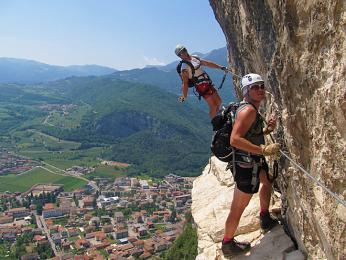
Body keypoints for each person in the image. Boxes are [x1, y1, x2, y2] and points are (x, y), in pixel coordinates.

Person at [221, 73, 281, 257]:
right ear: (247, 90)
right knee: (238, 207)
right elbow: (235, 139)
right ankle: (228, 243)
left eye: (262, 85)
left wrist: (267, 130)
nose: (260, 89)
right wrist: (264, 150)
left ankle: (264, 217)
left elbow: (249, 133)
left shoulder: (247, 107)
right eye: (255, 87)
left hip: (252, 159)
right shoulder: (248, 111)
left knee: (267, 181)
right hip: (246, 165)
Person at [175, 44, 226, 119]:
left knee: (218, 101)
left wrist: (220, 67)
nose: (183, 53)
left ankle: (218, 119)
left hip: (207, 82)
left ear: (186, 49)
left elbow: (207, 63)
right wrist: (184, 96)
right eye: (180, 53)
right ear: (179, 56)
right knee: (213, 105)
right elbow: (185, 83)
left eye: (183, 50)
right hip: (200, 86)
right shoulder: (184, 67)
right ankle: (215, 125)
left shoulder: (195, 57)